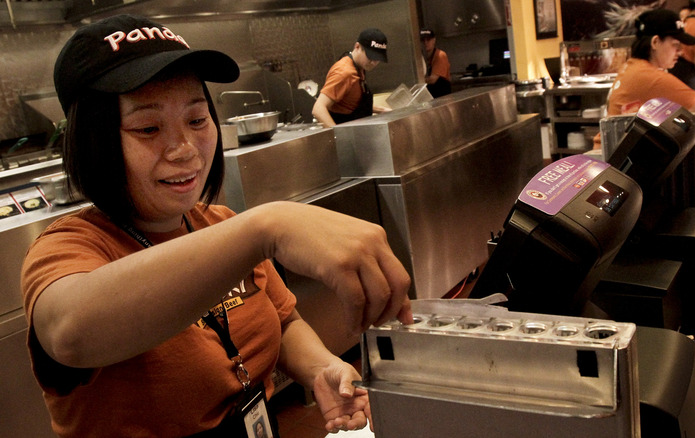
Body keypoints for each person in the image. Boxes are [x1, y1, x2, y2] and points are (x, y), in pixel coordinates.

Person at [21, 14, 412, 437]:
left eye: (196, 119)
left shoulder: (215, 223)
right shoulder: (71, 246)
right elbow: (70, 332)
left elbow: (282, 321)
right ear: (94, 143)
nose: (184, 149)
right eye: (149, 128)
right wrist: (267, 226)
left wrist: (324, 368)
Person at [596, 9, 695, 149]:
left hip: (613, 153)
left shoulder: (634, 66)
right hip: (616, 158)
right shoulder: (651, 78)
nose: (680, 52)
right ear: (655, 42)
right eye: (675, 45)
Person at [312, 28, 391, 127]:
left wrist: (382, 110)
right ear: (357, 47)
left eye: (378, 59)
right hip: (345, 130)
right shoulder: (344, 72)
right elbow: (318, 108)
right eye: (370, 57)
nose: (373, 63)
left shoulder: (359, 67)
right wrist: (339, 136)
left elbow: (350, 104)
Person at [420, 28, 452, 98]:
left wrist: (417, 82)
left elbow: (432, 80)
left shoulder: (440, 55)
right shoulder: (423, 58)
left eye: (428, 40)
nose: (425, 43)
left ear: (434, 40)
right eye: (423, 40)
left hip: (443, 99)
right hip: (433, 99)